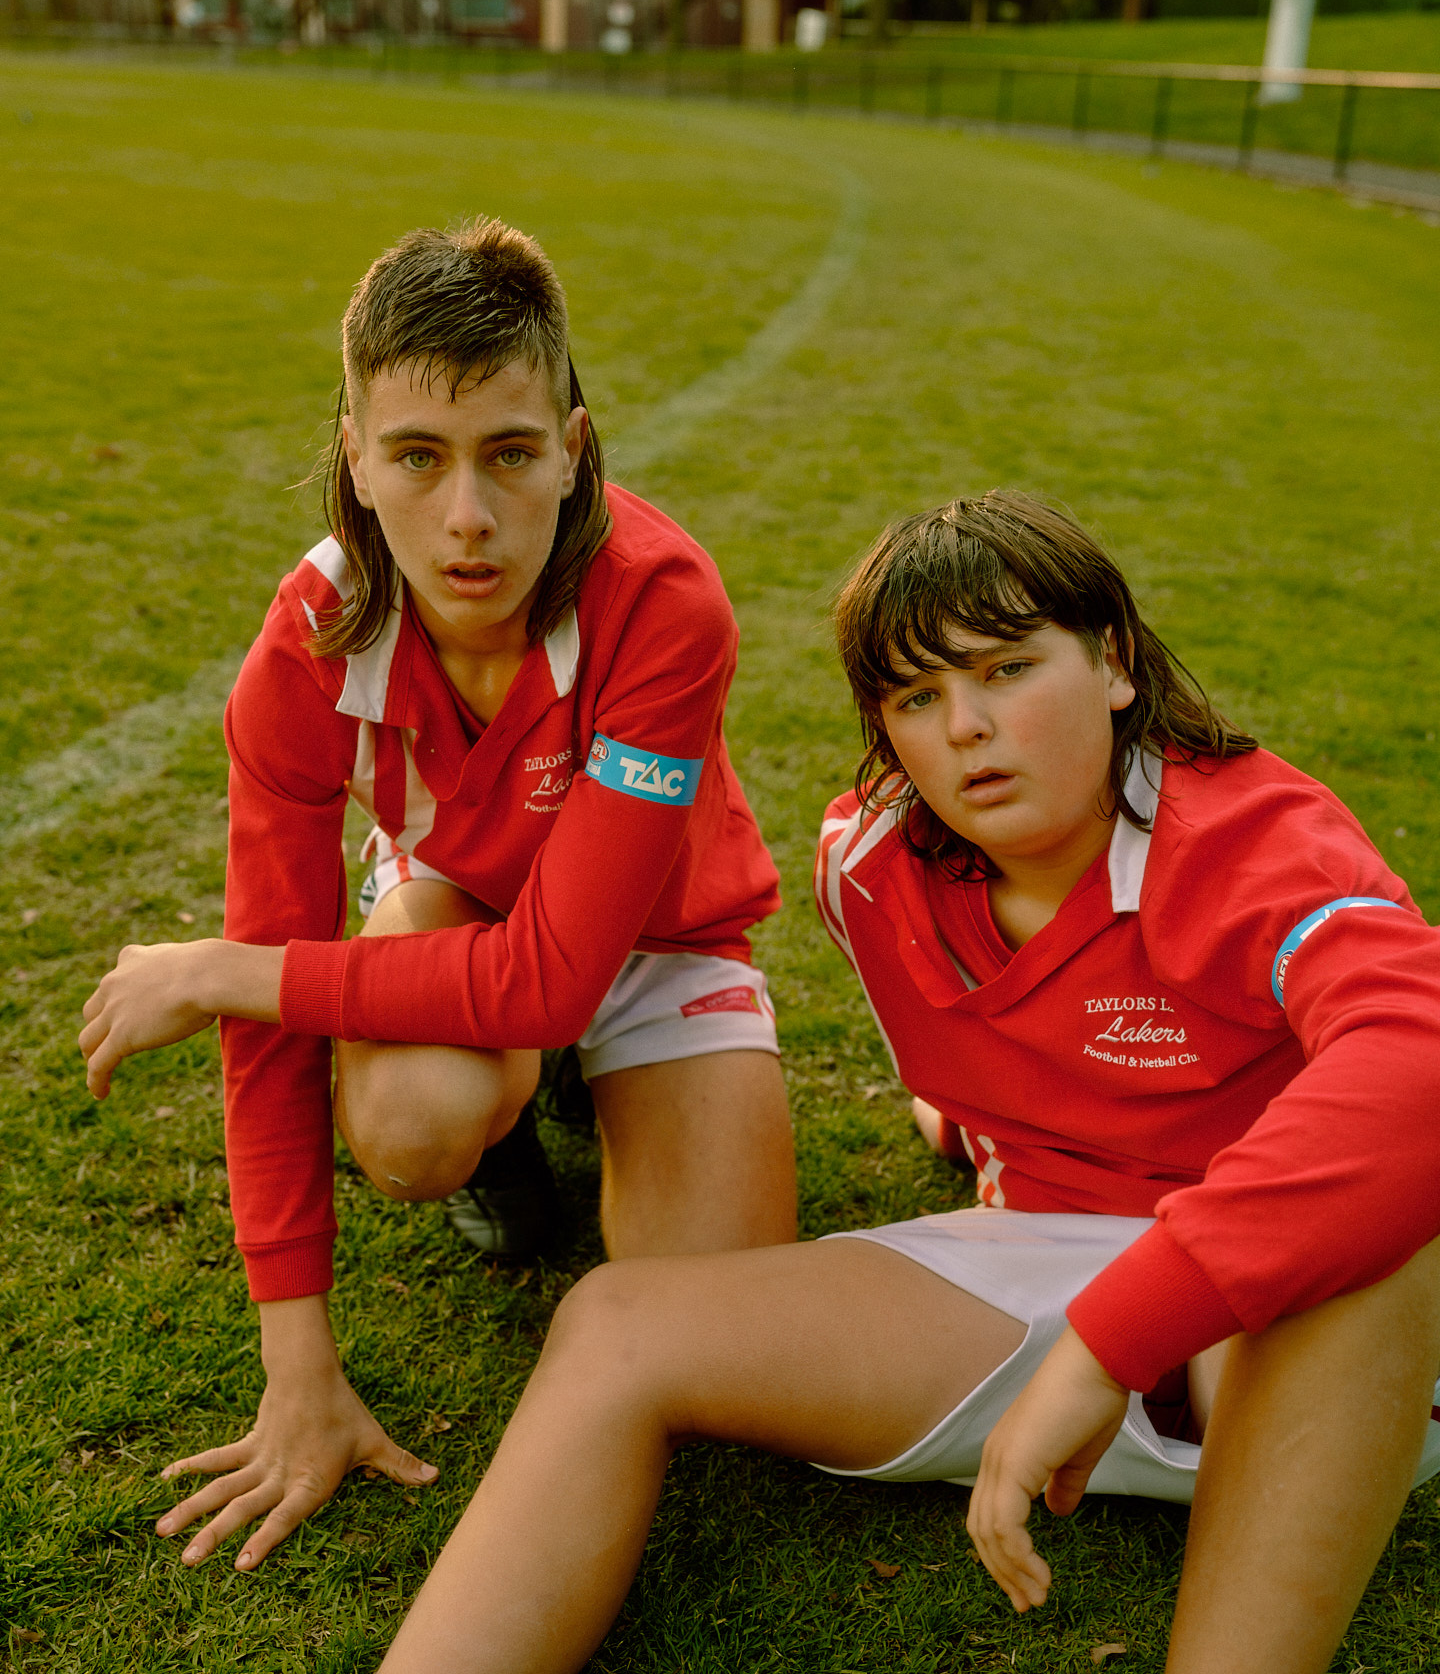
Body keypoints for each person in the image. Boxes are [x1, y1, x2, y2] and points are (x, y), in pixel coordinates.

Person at [355, 492, 1440, 1674]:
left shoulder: (1251, 839)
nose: (968, 727)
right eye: (917, 697)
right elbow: (1023, 1065)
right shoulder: (868, 867)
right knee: (618, 1324)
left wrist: (1114, 1340)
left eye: (1008, 670)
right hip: (1046, 1258)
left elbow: (1418, 1064)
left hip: (1286, 1314)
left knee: (1374, 1234)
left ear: (1115, 663)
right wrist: (973, 1141)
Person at [78, 218, 796, 1574]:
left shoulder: (664, 602)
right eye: (417, 456)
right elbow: (271, 1048)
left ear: (572, 448)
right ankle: (507, 1115)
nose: (467, 517)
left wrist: (228, 969)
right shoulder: (304, 650)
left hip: (660, 935)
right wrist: (297, 1371)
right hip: (462, 902)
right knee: (411, 1128)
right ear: (355, 456)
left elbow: (553, 979)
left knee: (715, 1341)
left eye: (509, 454)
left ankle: (572, 1075)